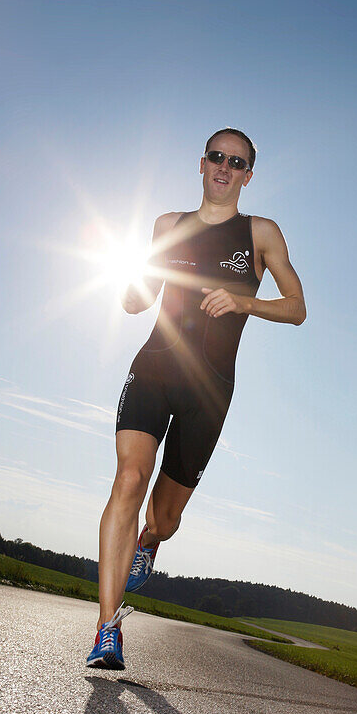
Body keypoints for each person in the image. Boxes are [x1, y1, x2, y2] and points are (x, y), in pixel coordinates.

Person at [87, 128, 306, 670]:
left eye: (237, 162)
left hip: (208, 390)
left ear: (247, 175)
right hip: (155, 366)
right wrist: (134, 287)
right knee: (128, 479)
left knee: (164, 517)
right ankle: (105, 630)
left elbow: (297, 306)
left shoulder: (261, 233)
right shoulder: (168, 225)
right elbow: (136, 299)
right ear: (201, 163)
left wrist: (241, 301)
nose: (224, 167)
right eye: (216, 157)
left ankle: (150, 542)